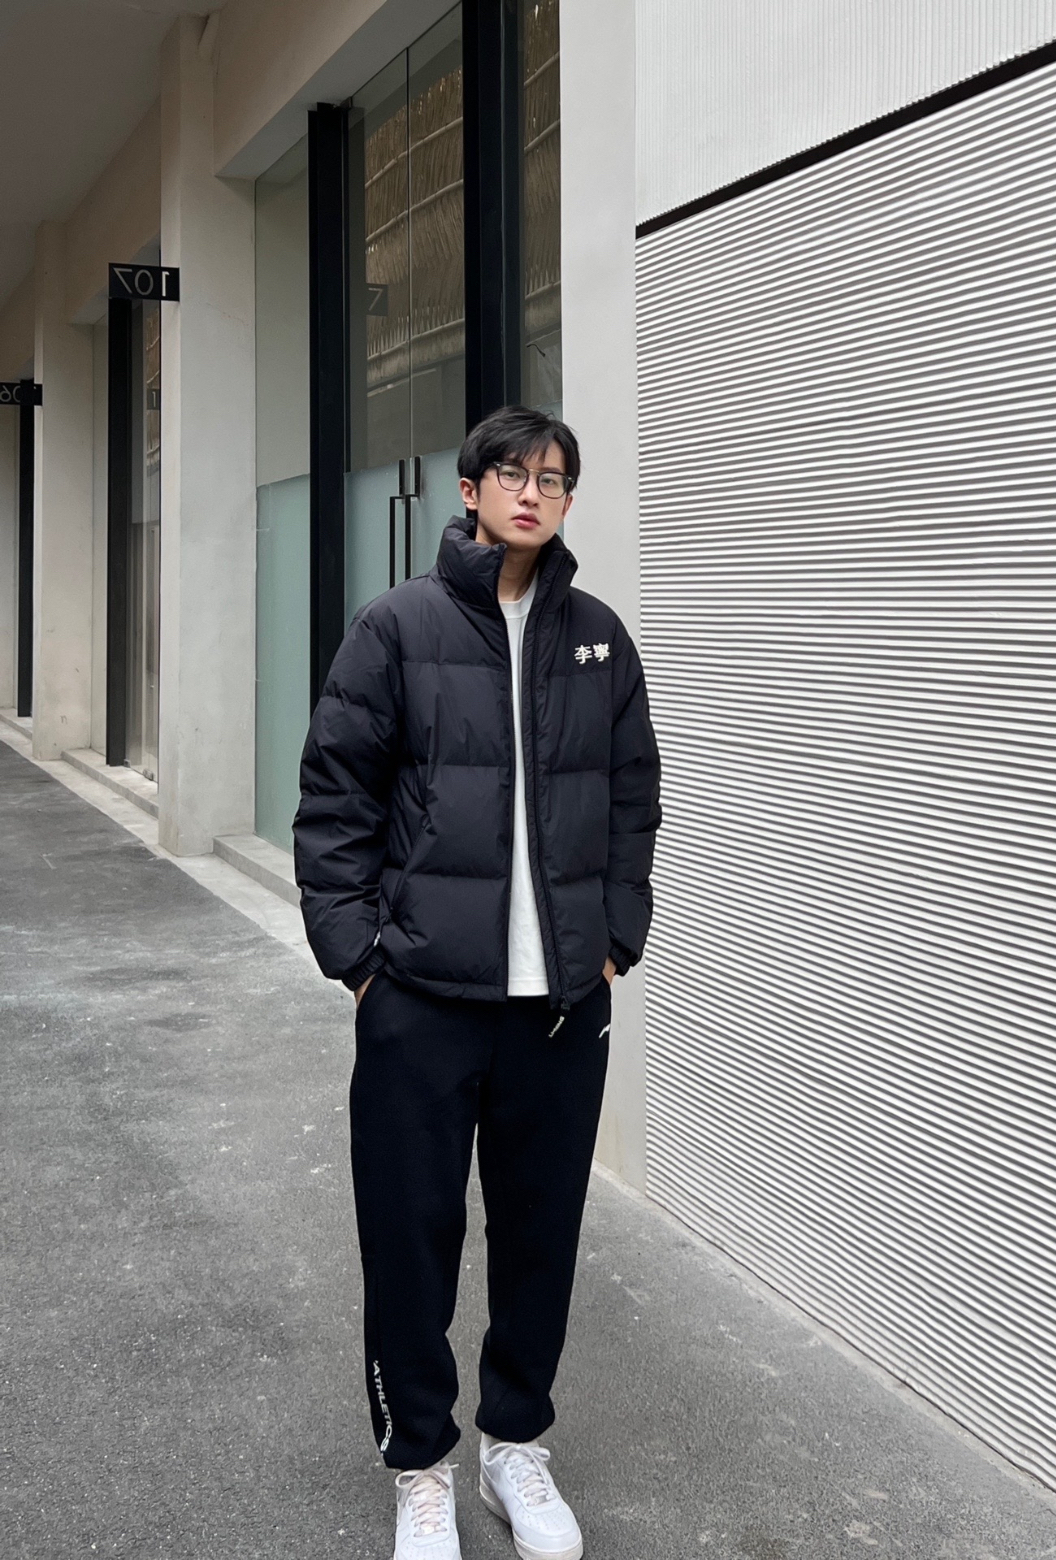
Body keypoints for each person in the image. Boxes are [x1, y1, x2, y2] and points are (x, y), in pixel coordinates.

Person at [293, 405, 661, 1560]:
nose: (532, 491)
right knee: (410, 1238)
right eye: (512, 472)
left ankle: (515, 1446)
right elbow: (336, 800)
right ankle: (421, 1466)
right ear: (469, 489)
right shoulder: (396, 627)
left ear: (567, 501)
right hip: (420, 1000)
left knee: (540, 1234)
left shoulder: (597, 639)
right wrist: (359, 960)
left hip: (559, 1008)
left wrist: (616, 937)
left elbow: (634, 798)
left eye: (553, 478)